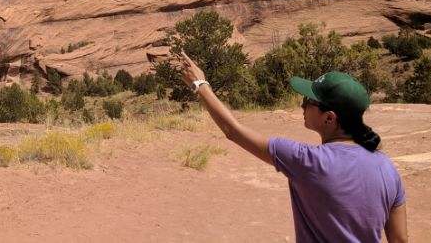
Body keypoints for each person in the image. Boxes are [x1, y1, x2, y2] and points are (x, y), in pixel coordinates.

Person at [174, 51, 408, 243]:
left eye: (308, 101)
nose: (302, 106)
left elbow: (233, 131)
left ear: (329, 118)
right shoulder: (386, 167)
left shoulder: (307, 161)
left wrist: (200, 85)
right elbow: (399, 241)